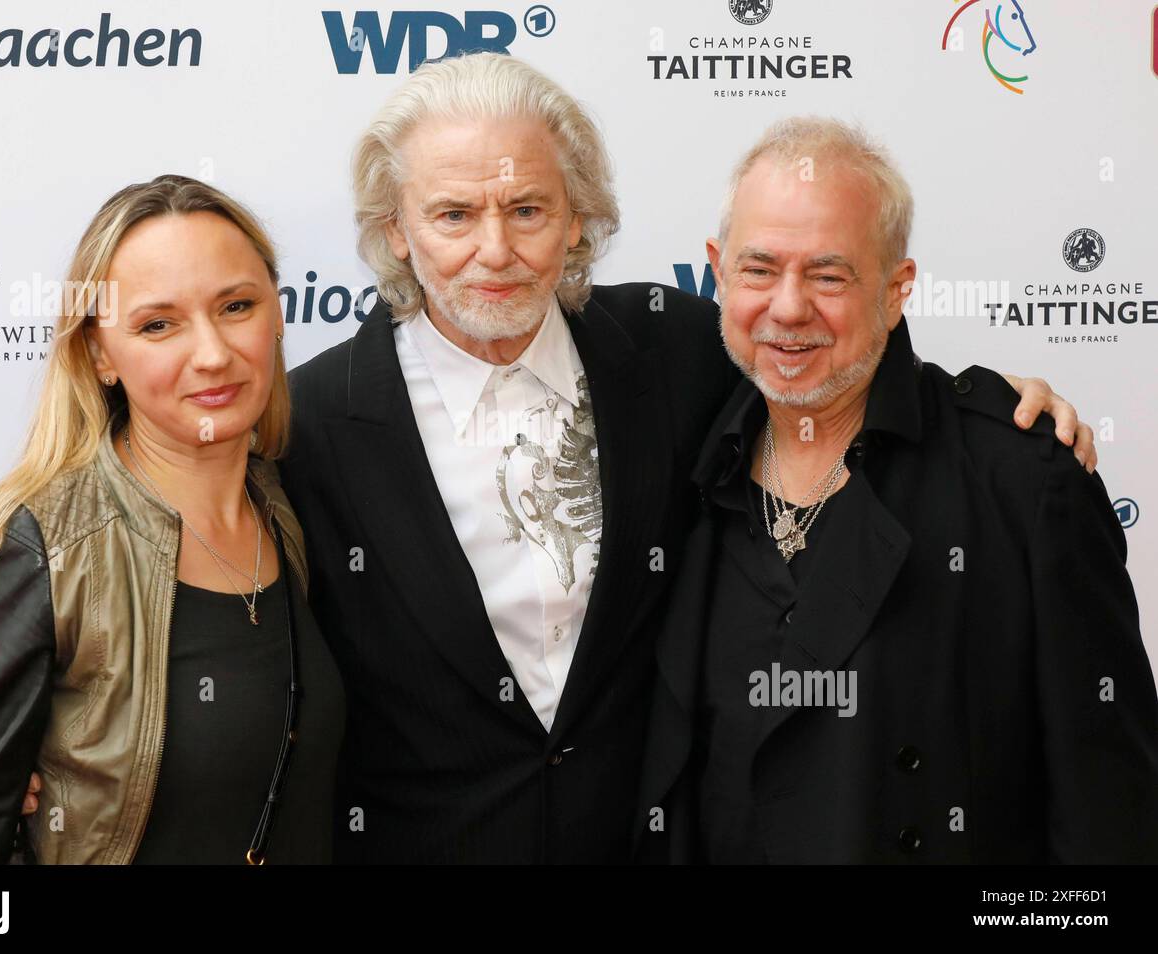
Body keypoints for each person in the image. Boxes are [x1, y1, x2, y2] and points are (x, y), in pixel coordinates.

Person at [280, 53, 1094, 863]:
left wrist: (992, 409)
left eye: (527, 209)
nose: (495, 251)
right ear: (395, 228)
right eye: (453, 214)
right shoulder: (303, 425)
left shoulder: (672, 352)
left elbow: (819, 358)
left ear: (576, 219)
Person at [634, 117, 1158, 864]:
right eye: (759, 269)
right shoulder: (678, 459)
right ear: (718, 272)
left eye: (828, 274)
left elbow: (1111, 811)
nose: (787, 308)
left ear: (896, 289)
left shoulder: (1020, 481)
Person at [0, 175, 345, 864]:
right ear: (99, 354)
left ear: (278, 314)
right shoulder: (30, 547)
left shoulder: (289, 508)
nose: (211, 353)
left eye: (236, 305)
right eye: (157, 324)